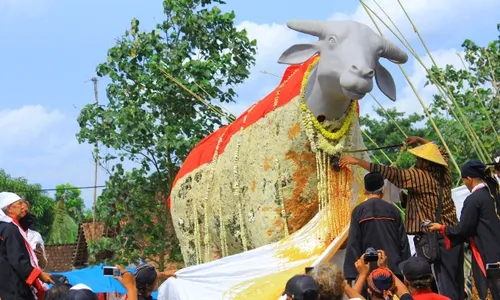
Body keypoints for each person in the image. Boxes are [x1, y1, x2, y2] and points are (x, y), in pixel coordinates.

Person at [340, 136, 464, 300]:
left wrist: (357, 161)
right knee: (455, 284)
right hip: (451, 235)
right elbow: (442, 151)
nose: (417, 161)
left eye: (420, 158)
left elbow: (390, 172)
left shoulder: (420, 176)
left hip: (433, 240)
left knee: (443, 286)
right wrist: (420, 140)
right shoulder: (445, 171)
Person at [429, 160, 500, 299]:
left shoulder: (473, 199)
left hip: (486, 254)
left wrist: (442, 228)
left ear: (469, 178)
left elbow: (464, 229)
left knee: (488, 292)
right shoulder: (494, 195)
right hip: (497, 249)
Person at [343, 172, 410, 283]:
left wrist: (351, 275)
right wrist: (407, 270)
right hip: (393, 270)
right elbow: (403, 242)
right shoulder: (393, 210)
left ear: (364, 191)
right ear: (382, 190)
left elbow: (353, 242)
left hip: (368, 271)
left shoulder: (358, 211)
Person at [0, 191, 54, 300]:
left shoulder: (5, 228)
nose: (23, 206)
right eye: (19, 203)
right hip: (14, 289)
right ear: (10, 208)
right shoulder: (9, 229)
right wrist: (39, 275)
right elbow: (17, 259)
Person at [19, 200, 48, 269]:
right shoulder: (9, 233)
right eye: (21, 211)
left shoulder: (36, 236)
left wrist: (40, 257)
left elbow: (43, 266)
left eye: (26, 212)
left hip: (34, 276)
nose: (24, 215)